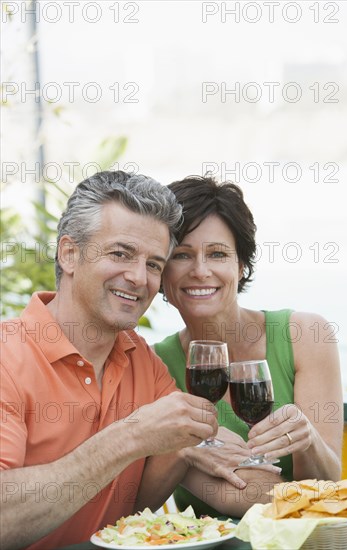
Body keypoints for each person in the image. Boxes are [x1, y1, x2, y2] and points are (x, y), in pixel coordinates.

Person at [0, 171, 281, 550]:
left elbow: (245, 483)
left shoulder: (143, 362)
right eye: (121, 253)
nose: (137, 277)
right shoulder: (7, 357)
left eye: (153, 264)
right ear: (69, 254)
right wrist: (131, 436)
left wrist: (320, 496)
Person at [154, 174, 343, 516]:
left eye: (217, 254)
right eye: (181, 255)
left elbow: (328, 486)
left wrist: (308, 440)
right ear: (161, 272)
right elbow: (243, 494)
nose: (200, 271)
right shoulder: (153, 365)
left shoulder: (306, 335)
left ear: (241, 266)